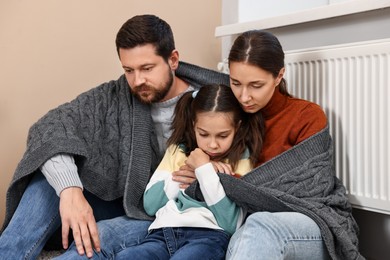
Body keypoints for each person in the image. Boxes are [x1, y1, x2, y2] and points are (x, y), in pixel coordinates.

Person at [0, 14, 229, 259]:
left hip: (168, 214)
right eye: (128, 70)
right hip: (121, 202)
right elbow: (49, 127)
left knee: (94, 243)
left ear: (173, 60)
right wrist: (70, 190)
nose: (137, 80)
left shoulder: (213, 103)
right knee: (51, 174)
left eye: (147, 68)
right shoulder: (116, 95)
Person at [184, 30, 364, 259]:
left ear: (279, 76)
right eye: (235, 83)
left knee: (260, 225)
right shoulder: (231, 115)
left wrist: (215, 177)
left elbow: (312, 190)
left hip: (315, 220)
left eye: (256, 85)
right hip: (248, 223)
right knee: (241, 234)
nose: (244, 96)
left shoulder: (307, 115)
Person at [109, 84, 264, 259]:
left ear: (238, 127)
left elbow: (230, 223)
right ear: (193, 125)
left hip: (208, 236)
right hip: (162, 231)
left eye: (222, 136)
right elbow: (151, 205)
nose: (212, 144)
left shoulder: (242, 159)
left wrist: (204, 170)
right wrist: (188, 170)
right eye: (204, 134)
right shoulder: (178, 151)